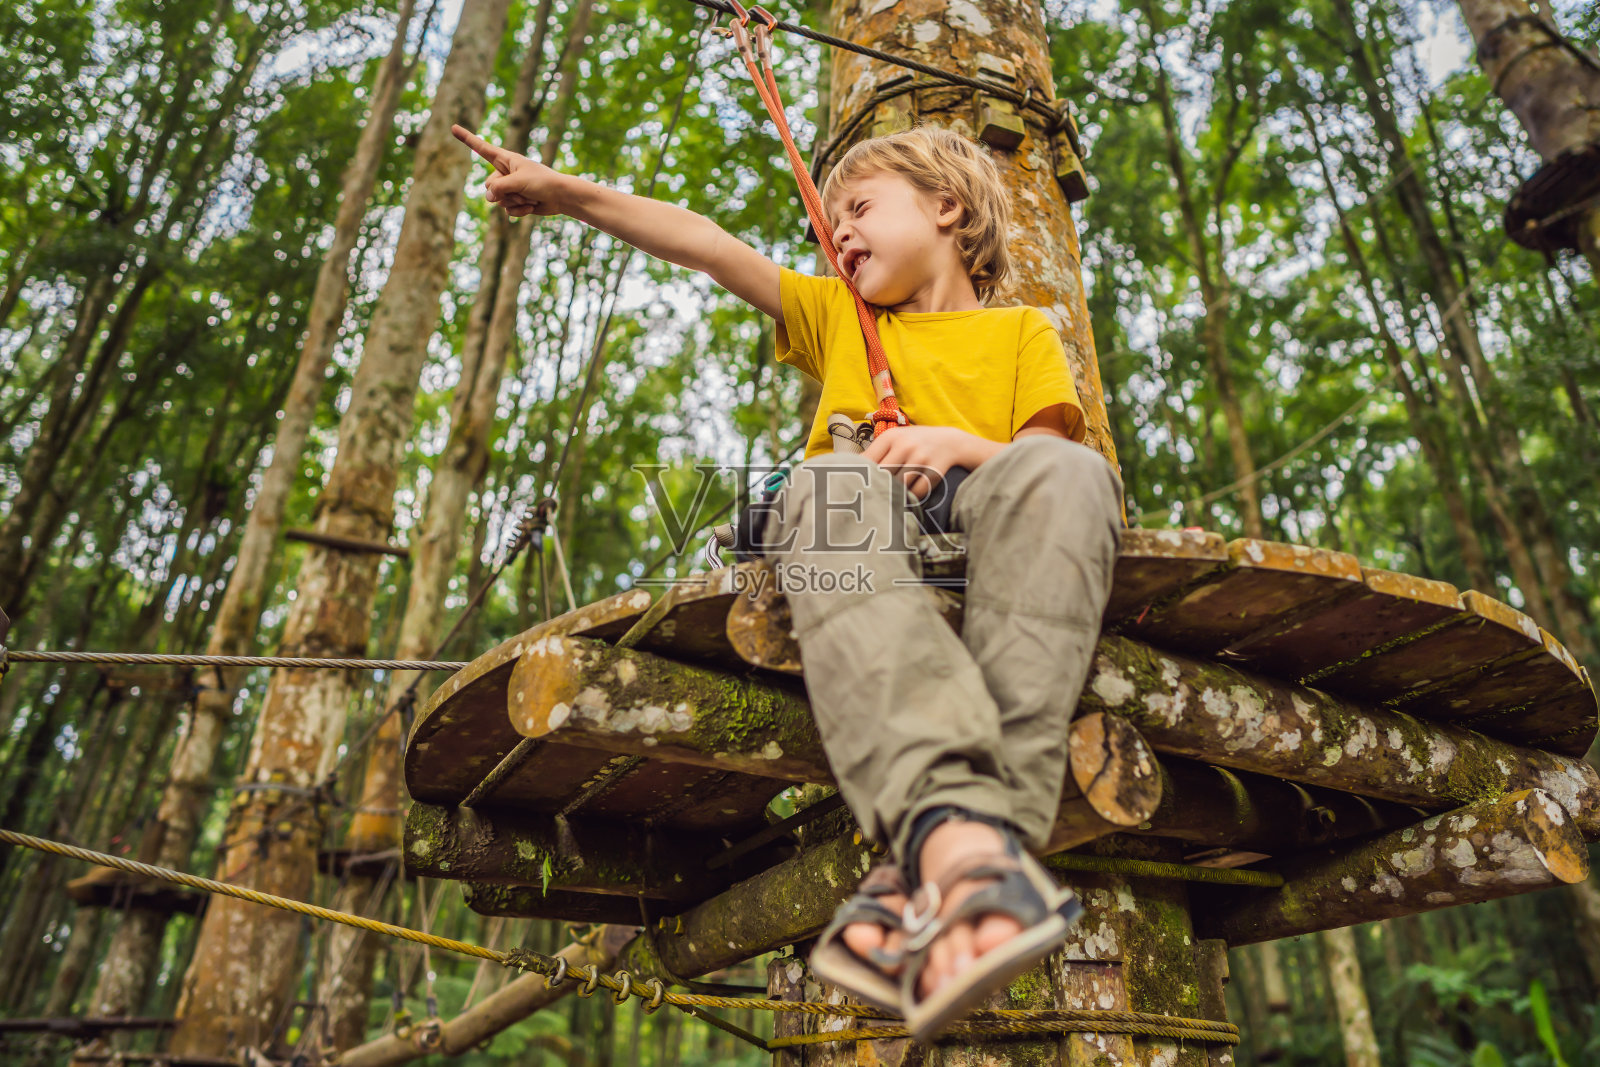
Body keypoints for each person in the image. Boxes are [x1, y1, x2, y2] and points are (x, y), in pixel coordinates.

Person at [453, 122, 1124, 1040]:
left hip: (981, 528)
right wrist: (569, 192)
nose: (837, 235)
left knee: (1081, 478)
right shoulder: (838, 318)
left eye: (858, 210)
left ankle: (966, 854)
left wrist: (956, 446)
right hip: (849, 530)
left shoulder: (1020, 332)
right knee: (828, 479)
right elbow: (707, 244)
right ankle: (954, 836)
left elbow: (1044, 460)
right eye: (827, 226)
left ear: (946, 207)